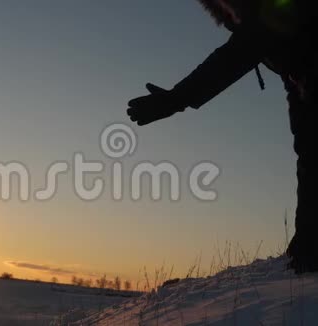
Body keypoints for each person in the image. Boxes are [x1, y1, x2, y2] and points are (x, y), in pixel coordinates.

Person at [126, 0, 317, 272]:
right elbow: (263, 46)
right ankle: (310, 248)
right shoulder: (240, 16)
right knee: (309, 151)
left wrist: (178, 98)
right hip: (302, 78)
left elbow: (249, 45)